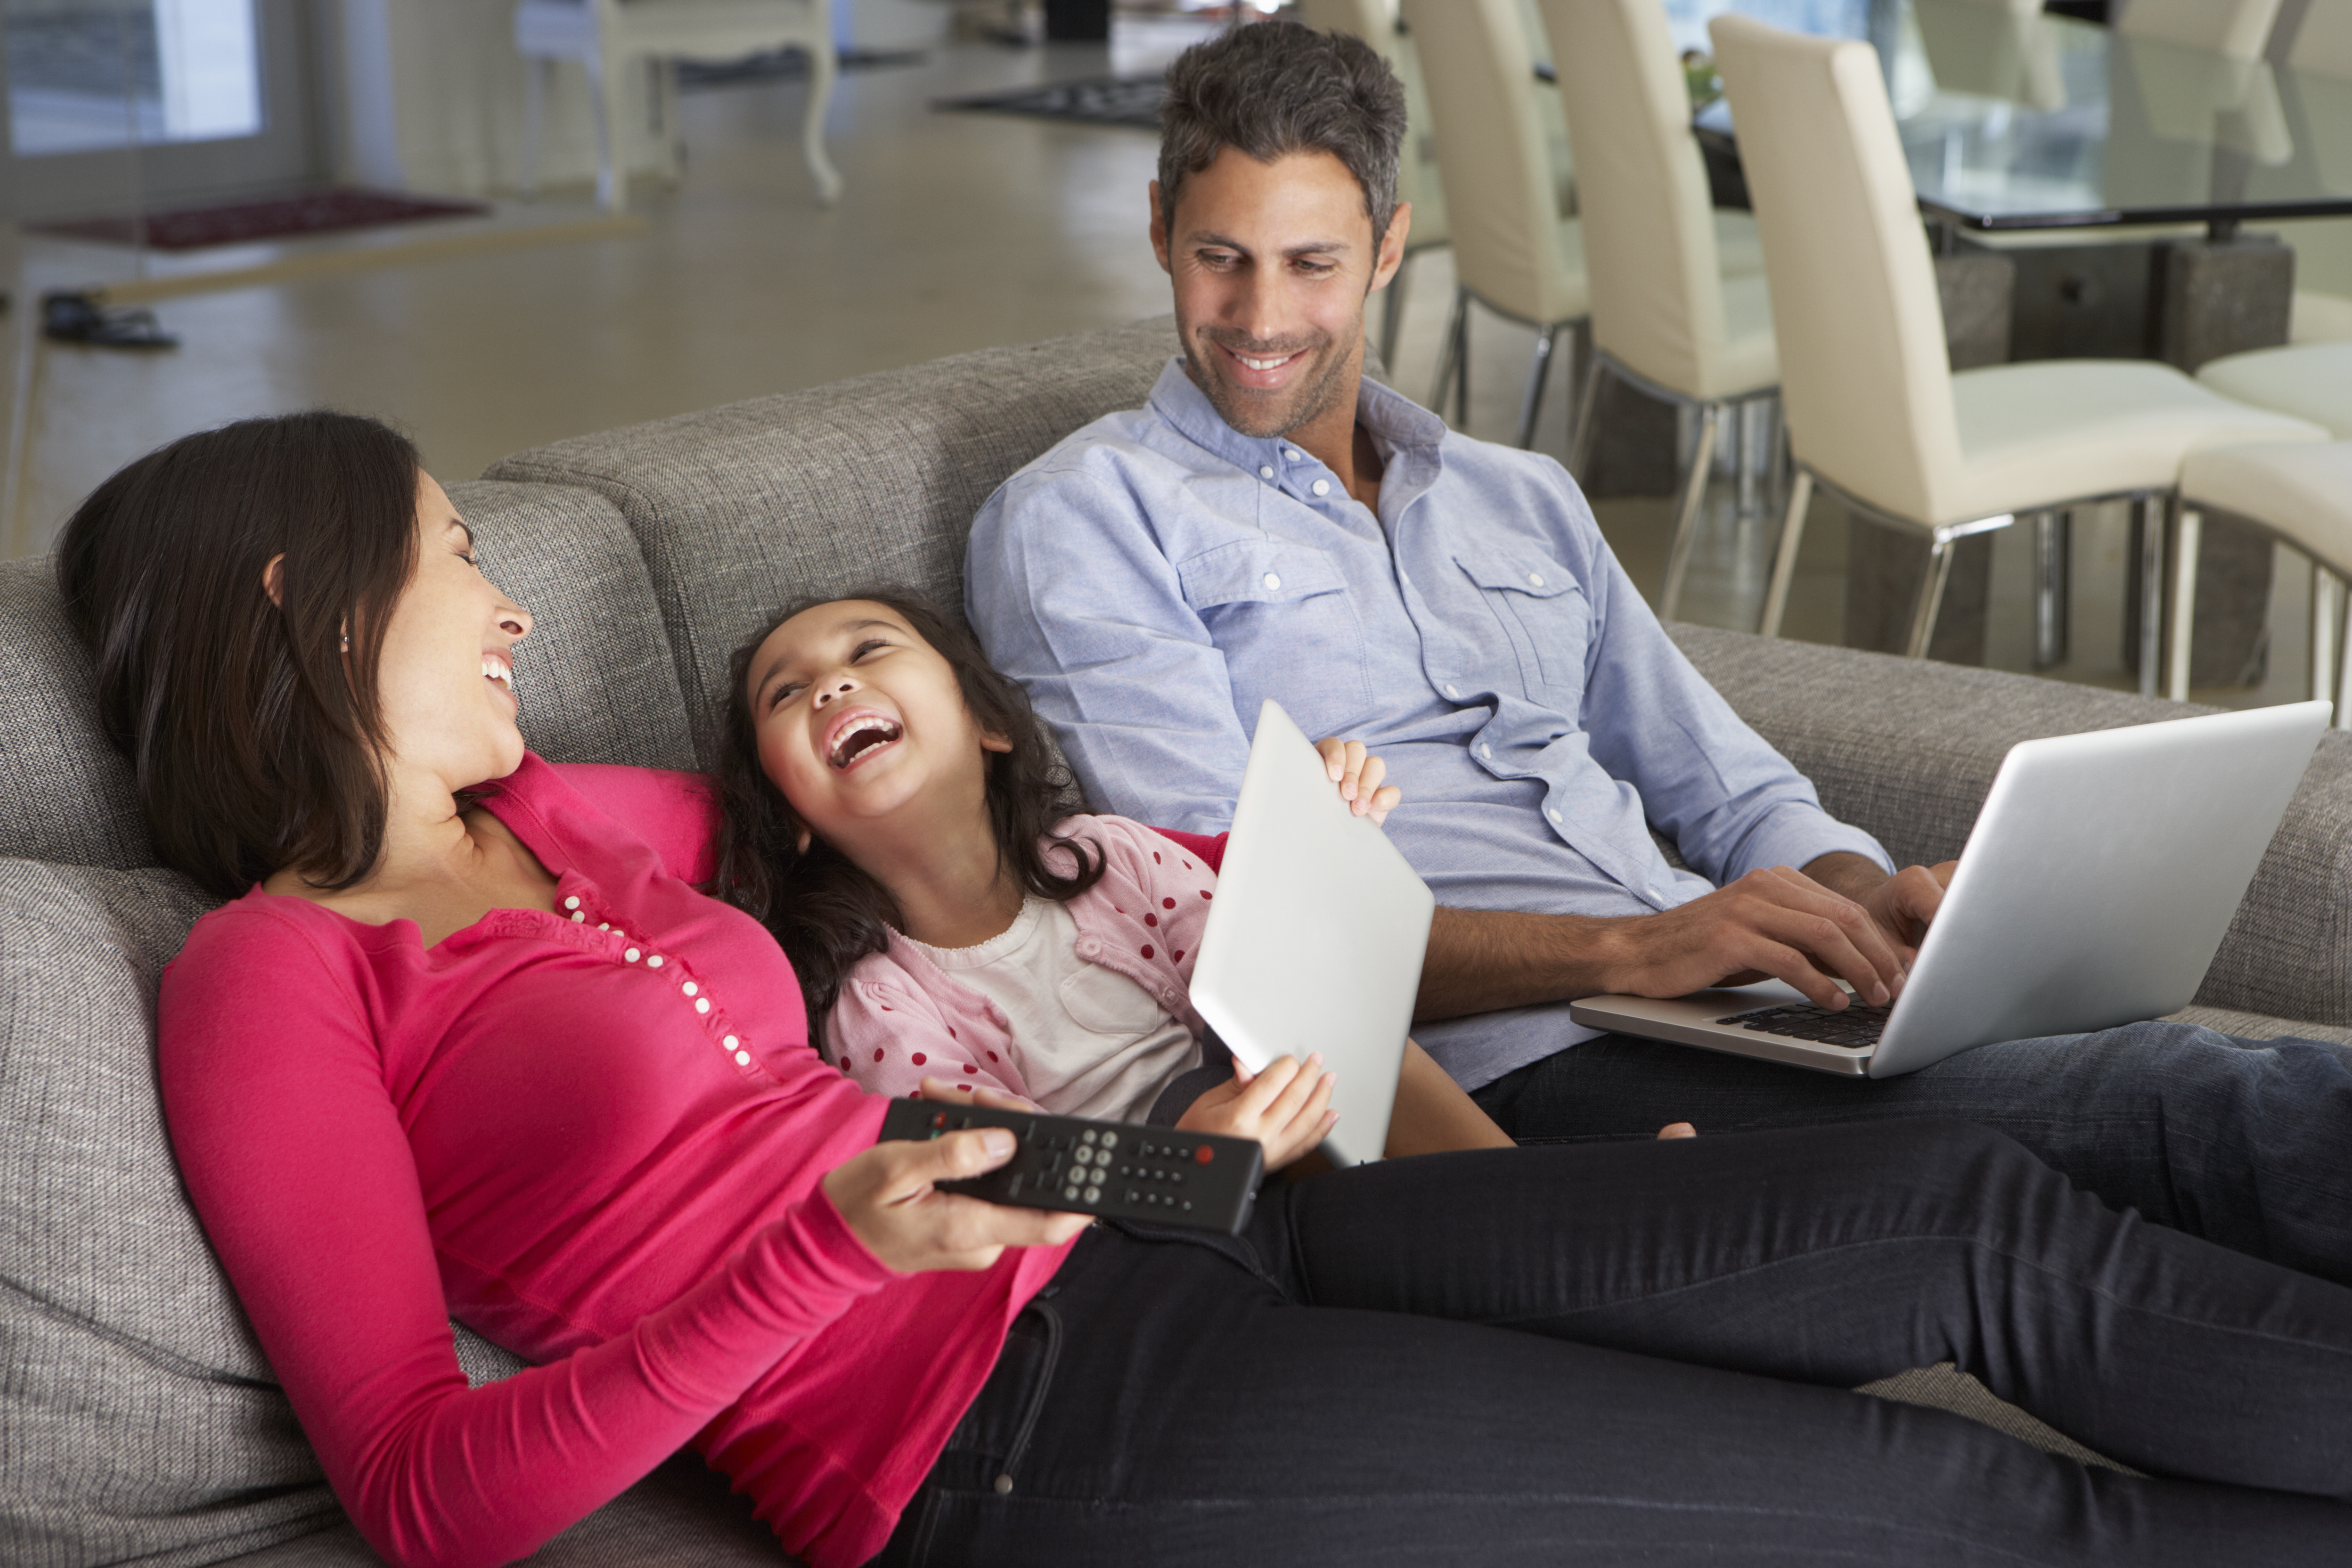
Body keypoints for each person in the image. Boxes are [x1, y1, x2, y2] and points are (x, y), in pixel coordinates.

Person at [64, 414, 2352, 1566]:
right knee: (1960, 1514)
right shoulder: (271, 977)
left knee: (1963, 1218)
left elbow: (919, 791)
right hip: (1017, 1436)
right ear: (307, 593)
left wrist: (1271, 875)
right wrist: (812, 1254)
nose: (515, 610)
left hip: (1188, 1202)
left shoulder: (571, 820)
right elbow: (418, 1486)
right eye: (463, 557)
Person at [961, 20, 2352, 1285]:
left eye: (1311, 263)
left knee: (2180, 1102)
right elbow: (1242, 934)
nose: (1262, 320)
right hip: (1518, 1075)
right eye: (1223, 258)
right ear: (1157, 228)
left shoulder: (1519, 494)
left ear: (1388, 246)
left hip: (1720, 1002)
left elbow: (1730, 792)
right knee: (2187, 1101)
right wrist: (1641, 945)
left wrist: (1871, 901)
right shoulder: (1087, 521)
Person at [706, 586, 1524, 1163]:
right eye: (788, 693)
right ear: (793, 820)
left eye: (868, 649)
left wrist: (1316, 844)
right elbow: (1004, 1175)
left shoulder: (1113, 856)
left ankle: (1529, 1192)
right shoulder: (875, 999)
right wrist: (1193, 1156)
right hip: (1157, 1222)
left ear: (988, 723)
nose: (833, 685)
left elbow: (1268, 982)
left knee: (1323, 1048)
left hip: (1282, 1116)